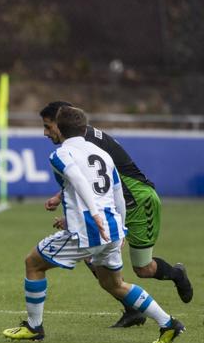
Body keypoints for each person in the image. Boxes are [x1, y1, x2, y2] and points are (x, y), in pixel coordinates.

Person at [2, 106, 184, 343]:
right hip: (112, 230)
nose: (47, 133)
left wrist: (95, 215)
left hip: (87, 231)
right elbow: (117, 194)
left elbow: (78, 180)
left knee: (33, 263)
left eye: (49, 127)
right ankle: (168, 323)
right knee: (114, 284)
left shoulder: (60, 155)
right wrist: (120, 229)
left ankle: (34, 327)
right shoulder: (103, 154)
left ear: (60, 128)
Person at [40, 101, 192, 328]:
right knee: (90, 253)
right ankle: (132, 309)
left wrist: (86, 214)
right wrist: (64, 202)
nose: (45, 132)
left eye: (48, 126)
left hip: (139, 201)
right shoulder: (82, 136)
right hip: (113, 203)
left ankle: (176, 274)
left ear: (60, 123)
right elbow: (86, 181)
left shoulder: (80, 143)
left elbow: (87, 181)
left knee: (143, 268)